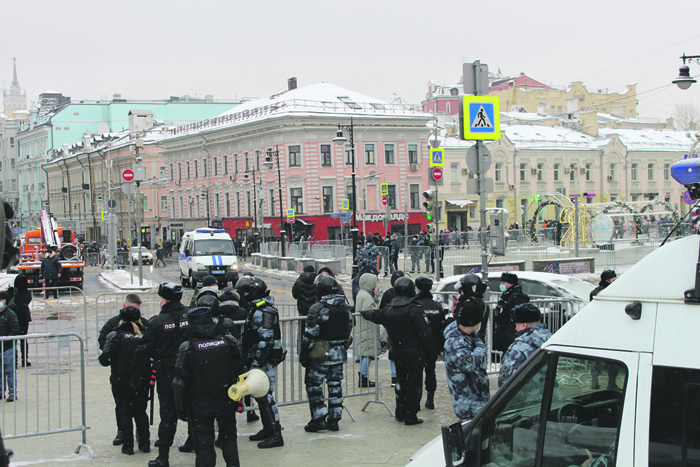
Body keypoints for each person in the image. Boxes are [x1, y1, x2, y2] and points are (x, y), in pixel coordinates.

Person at [173, 306, 246, 467]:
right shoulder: (228, 341)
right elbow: (241, 369)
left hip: (200, 403)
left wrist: (181, 409)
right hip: (226, 398)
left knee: (204, 443)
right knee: (229, 440)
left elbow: (179, 382)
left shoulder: (188, 347)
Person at [360, 277, 438, 425]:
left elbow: (374, 315)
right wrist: (431, 353)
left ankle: (400, 412)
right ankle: (410, 415)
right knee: (414, 386)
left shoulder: (389, 311)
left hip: (398, 353)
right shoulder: (415, 310)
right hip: (414, 354)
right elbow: (425, 334)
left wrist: (362, 312)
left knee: (401, 384)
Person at [131, 283, 190, 467]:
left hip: (166, 373)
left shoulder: (157, 322)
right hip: (190, 371)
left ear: (165, 300)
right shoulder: (191, 316)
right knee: (194, 410)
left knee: (168, 414)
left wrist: (138, 372)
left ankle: (163, 456)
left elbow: (144, 349)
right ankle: (199, 449)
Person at [299, 276, 352, 432]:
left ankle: (319, 417)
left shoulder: (319, 308)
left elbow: (310, 335)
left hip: (321, 354)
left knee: (314, 385)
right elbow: (348, 329)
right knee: (335, 386)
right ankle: (335, 419)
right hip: (339, 354)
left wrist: (304, 354)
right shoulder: (345, 308)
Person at [239, 277, 285, 449]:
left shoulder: (265, 311)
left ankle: (275, 433)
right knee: (260, 396)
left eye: (246, 292)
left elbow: (267, 341)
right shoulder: (256, 309)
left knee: (265, 396)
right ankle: (268, 429)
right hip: (257, 358)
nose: (244, 296)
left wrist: (257, 364)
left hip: (264, 360)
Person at [99, 305, 151, 455]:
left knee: (125, 411)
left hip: (121, 379)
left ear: (121, 319)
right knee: (141, 411)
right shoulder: (145, 334)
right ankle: (145, 443)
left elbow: (105, 359)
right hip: (141, 379)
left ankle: (128, 445)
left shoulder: (116, 335)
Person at [444, 291, 489, 423]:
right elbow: (469, 365)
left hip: (475, 398)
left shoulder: (467, 337)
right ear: (475, 323)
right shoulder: (456, 343)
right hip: (468, 402)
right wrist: (480, 348)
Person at [498, 303, 552, 388]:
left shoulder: (518, 349)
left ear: (524, 325)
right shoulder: (551, 341)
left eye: (516, 325)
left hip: (525, 399)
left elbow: (507, 383)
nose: (515, 328)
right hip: (548, 396)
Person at [414, 277, 445, 410]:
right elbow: (441, 327)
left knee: (417, 373)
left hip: (418, 344)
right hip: (432, 345)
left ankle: (417, 401)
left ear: (418, 288)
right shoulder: (436, 306)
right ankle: (430, 399)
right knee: (430, 371)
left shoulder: (415, 305)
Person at [492, 272, 530, 354]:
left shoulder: (517, 297)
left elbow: (513, 318)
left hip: (508, 332)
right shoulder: (506, 295)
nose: (501, 284)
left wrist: (508, 337)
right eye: (501, 282)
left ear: (511, 284)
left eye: (504, 282)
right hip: (502, 331)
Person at [379, 271, 405, 387]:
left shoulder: (388, 294)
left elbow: (381, 310)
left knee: (393, 351)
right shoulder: (407, 292)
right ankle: (401, 375)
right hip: (404, 327)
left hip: (391, 326)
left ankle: (395, 376)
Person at [355, 272, 381, 388]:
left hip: (364, 327)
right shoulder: (366, 296)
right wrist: (377, 309)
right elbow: (368, 311)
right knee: (368, 354)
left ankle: (363, 376)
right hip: (367, 327)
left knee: (366, 353)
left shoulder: (362, 293)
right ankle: (363, 377)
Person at [8, 275, 31, 368]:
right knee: (23, 339)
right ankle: (24, 359)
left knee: (13, 340)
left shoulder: (12, 292)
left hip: (14, 317)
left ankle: (14, 361)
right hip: (24, 317)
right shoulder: (27, 293)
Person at [0, 292, 19, 402]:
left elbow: (15, 330)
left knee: (9, 371)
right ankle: (1, 392)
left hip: (7, 348)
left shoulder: (10, 315)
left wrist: (6, 339)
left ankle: (12, 393)